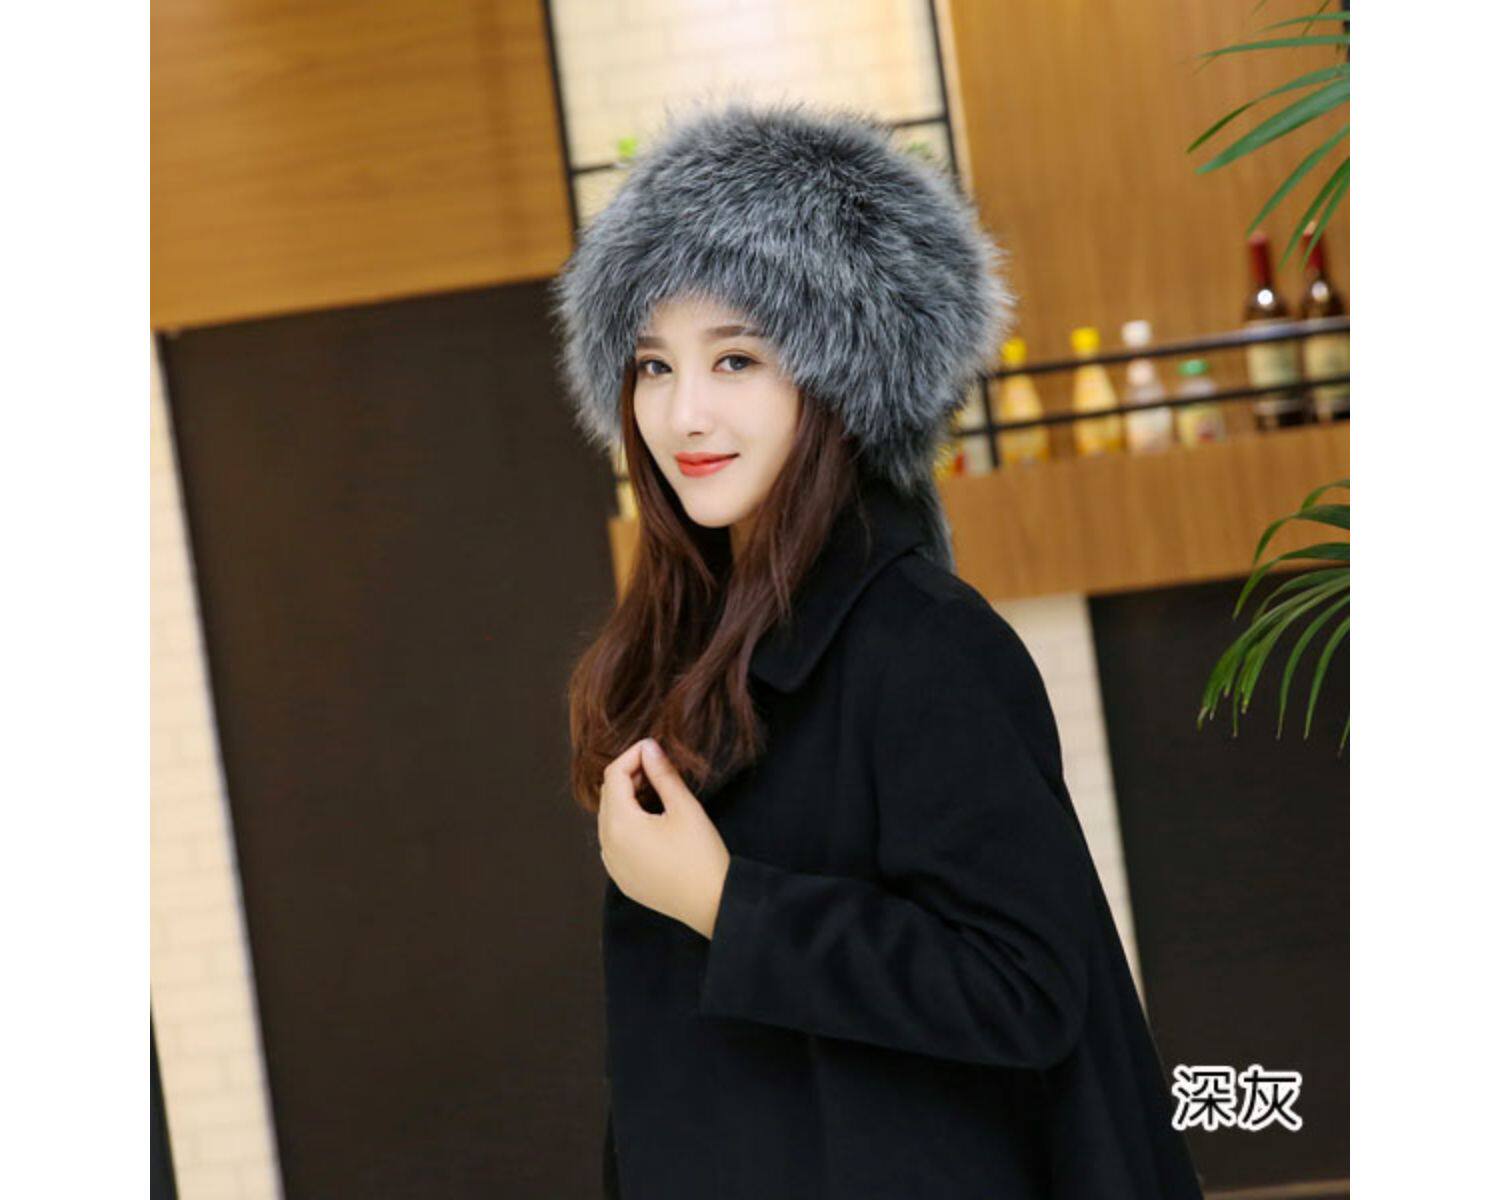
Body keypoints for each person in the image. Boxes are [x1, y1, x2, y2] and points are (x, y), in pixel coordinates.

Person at [548, 99, 1204, 1200]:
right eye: (653, 366)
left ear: (842, 380)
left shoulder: (922, 643)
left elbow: (1025, 986)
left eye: (736, 358)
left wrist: (727, 904)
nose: (684, 414)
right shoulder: (687, 642)